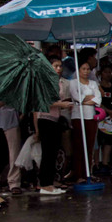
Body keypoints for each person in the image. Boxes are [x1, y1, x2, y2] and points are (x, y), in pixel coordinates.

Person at [33, 54, 72, 195]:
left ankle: (49, 182)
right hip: (45, 119)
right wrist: (62, 104)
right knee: (48, 153)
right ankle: (44, 184)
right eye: (55, 66)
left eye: (60, 66)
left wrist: (64, 105)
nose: (59, 69)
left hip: (56, 118)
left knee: (54, 152)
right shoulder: (44, 82)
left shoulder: (60, 82)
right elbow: (45, 101)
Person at [69, 60, 101, 184]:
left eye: (88, 69)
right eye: (83, 69)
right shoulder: (73, 83)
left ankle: (88, 172)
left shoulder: (93, 83)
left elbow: (98, 98)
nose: (86, 71)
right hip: (78, 116)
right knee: (78, 146)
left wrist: (86, 100)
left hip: (90, 116)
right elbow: (77, 98)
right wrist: (87, 99)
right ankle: (79, 173)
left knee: (90, 146)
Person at [95, 61, 112, 176]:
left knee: (109, 140)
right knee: (98, 141)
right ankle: (96, 163)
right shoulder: (98, 86)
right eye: (105, 72)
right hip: (100, 116)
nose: (108, 74)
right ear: (101, 73)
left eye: (110, 72)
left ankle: (105, 163)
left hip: (111, 117)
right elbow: (98, 102)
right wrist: (107, 111)